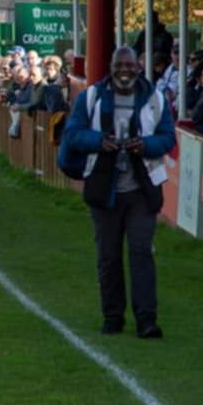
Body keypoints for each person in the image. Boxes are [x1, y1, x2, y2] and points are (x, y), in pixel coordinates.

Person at [62, 46, 176, 339]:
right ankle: (112, 317)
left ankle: (146, 321)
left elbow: (167, 138)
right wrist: (100, 141)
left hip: (142, 187)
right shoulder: (92, 97)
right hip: (104, 186)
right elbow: (73, 134)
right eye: (118, 65)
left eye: (129, 65)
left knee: (142, 254)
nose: (124, 71)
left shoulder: (154, 98)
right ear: (110, 67)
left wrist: (145, 146)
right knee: (108, 257)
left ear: (139, 67)